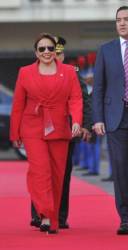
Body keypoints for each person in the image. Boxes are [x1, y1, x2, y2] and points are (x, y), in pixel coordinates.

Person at [10, 33, 82, 234]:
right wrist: (15, 133)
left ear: (55, 50)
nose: (47, 52)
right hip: (32, 127)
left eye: (50, 48)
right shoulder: (24, 72)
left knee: (57, 174)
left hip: (59, 127)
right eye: (42, 49)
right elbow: (17, 105)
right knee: (40, 171)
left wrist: (76, 121)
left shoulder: (68, 72)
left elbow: (75, 99)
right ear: (36, 52)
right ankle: (46, 214)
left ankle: (51, 216)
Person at [92, 6, 128, 235]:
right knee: (121, 170)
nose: (121, 23)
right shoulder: (106, 50)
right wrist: (98, 119)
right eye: (118, 20)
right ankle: (124, 218)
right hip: (115, 118)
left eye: (126, 19)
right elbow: (99, 87)